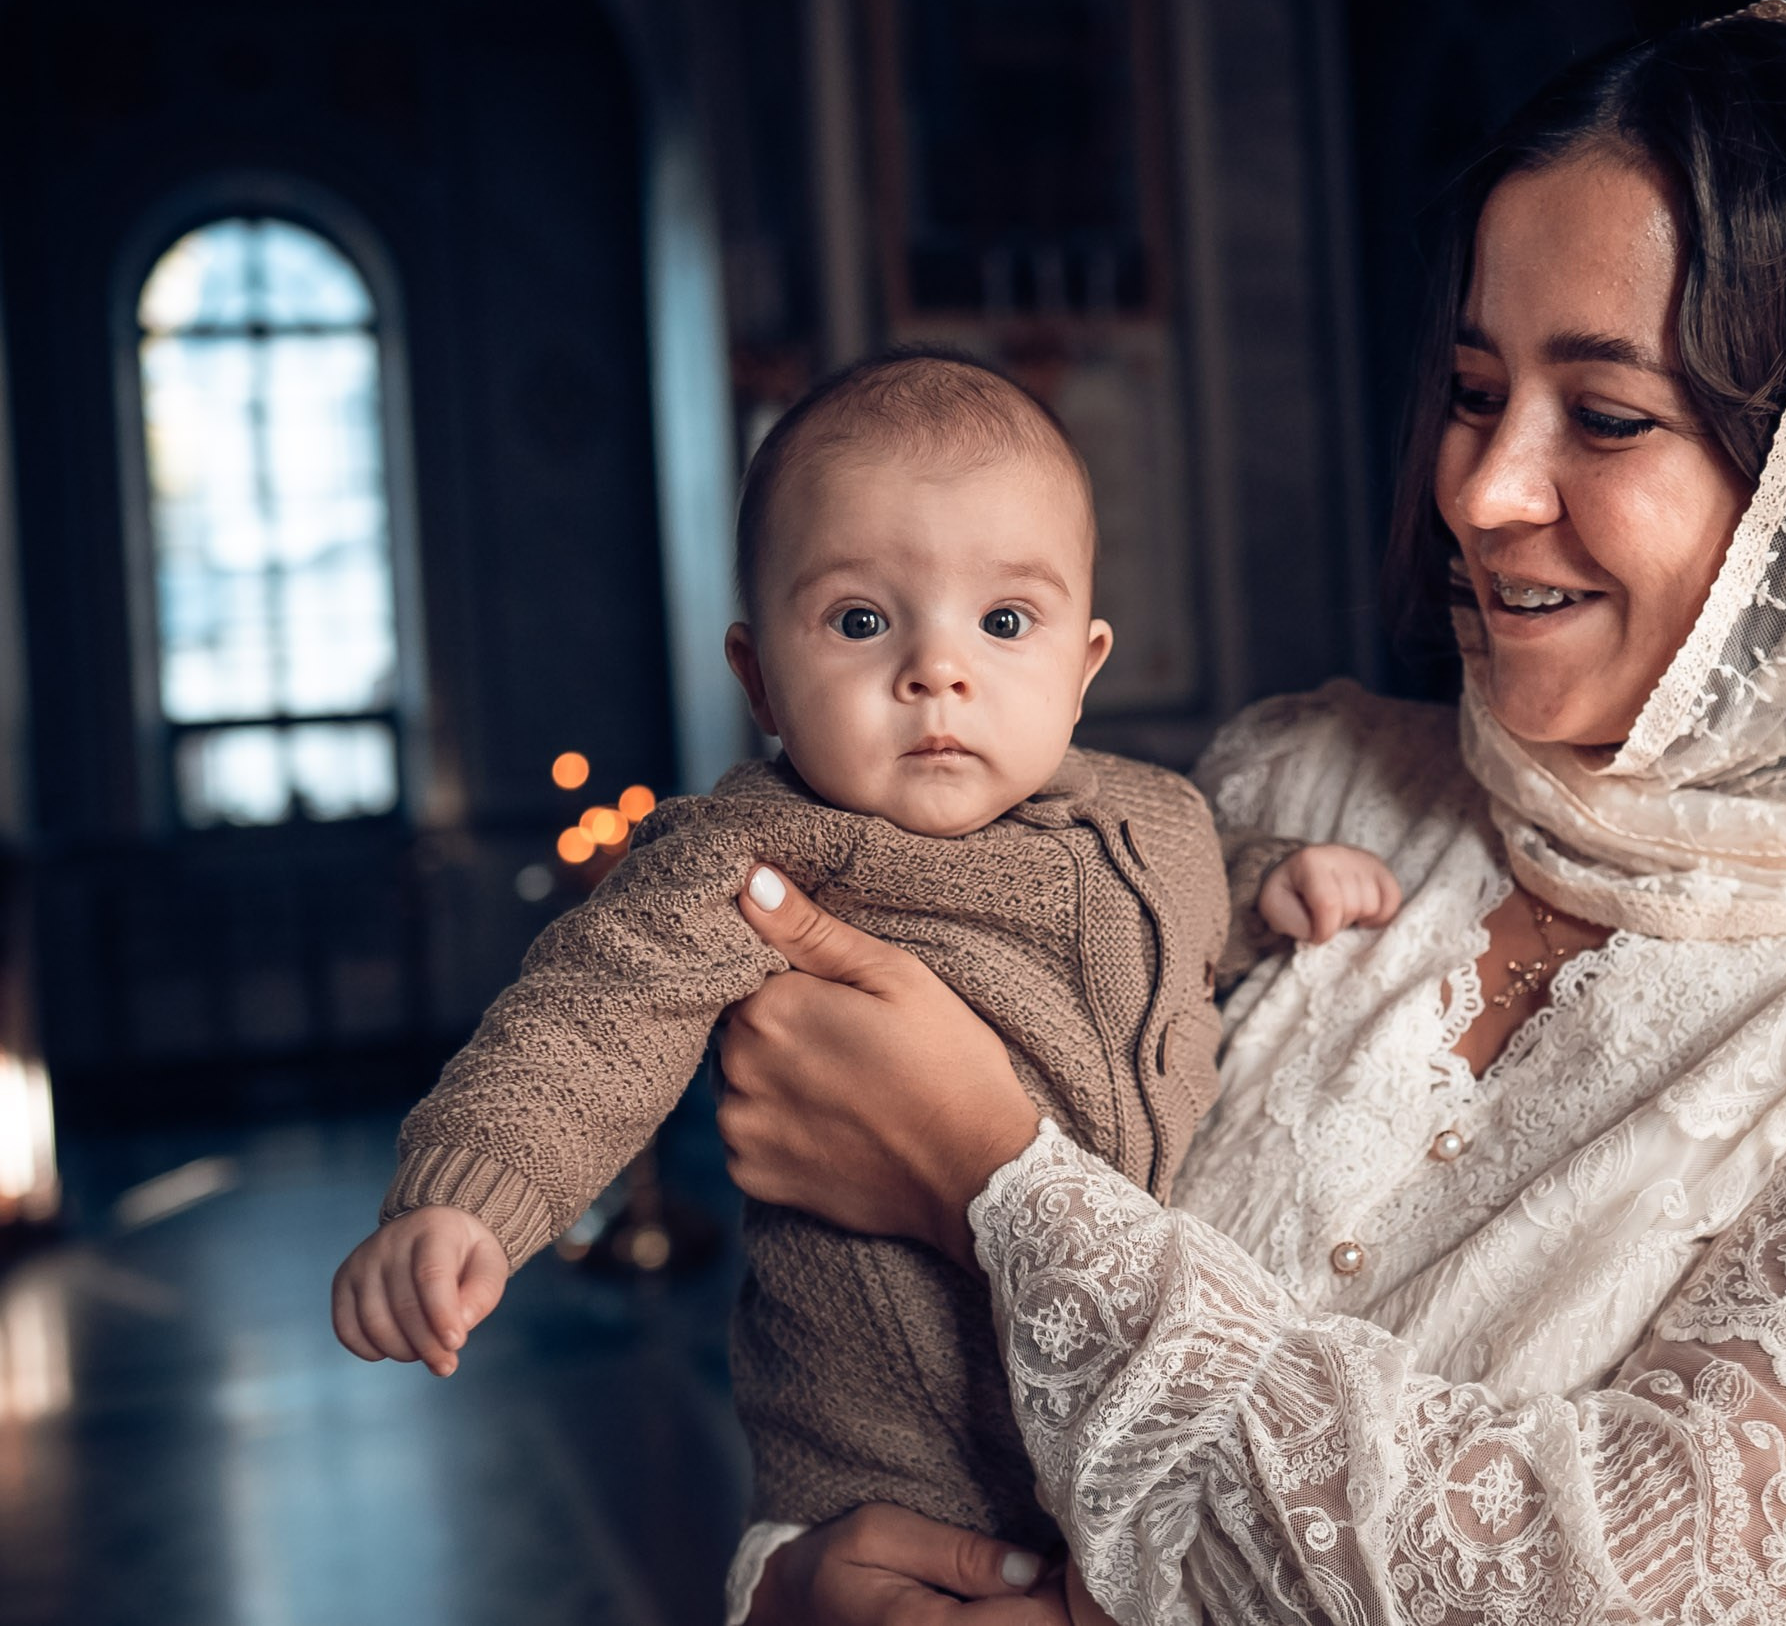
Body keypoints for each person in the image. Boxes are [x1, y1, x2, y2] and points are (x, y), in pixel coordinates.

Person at [715, 2, 1786, 1626]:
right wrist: (803, 1578)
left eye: (1605, 416)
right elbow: (866, 1353)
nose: (1479, 489)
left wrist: (991, 1175)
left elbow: (1602, 1580)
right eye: (1473, 388)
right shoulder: (1298, 783)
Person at [328, 351, 1403, 1551]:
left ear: (1083, 666)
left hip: (1125, 1401)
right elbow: (592, 1015)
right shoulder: (758, 851)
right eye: (859, 620)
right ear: (761, 680)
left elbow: (1189, 911)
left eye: (1004, 621)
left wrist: (1273, 886)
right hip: (891, 1447)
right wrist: (464, 1201)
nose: (935, 670)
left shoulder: (1154, 814)